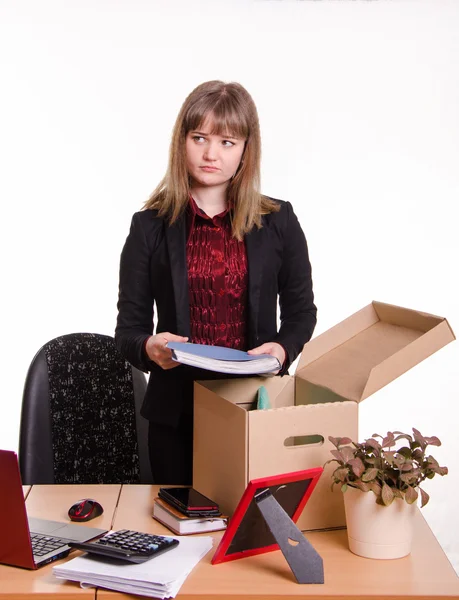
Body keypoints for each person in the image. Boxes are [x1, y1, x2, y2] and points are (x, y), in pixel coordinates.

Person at [115, 80, 317, 485]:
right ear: (182, 141)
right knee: (182, 534)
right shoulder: (149, 227)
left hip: (253, 408)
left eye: (227, 141)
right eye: (200, 138)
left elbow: (300, 313)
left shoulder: (278, 221)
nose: (211, 154)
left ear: (246, 148)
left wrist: (282, 348)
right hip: (176, 414)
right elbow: (128, 331)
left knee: (249, 531)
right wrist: (149, 348)